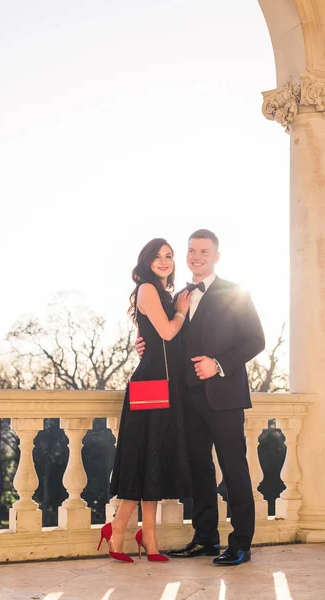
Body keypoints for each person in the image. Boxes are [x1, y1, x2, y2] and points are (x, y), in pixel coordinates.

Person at [136, 229, 265, 566]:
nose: (196, 257)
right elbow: (167, 333)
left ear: (216, 256)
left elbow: (256, 340)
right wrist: (143, 345)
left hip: (224, 396)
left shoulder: (235, 292)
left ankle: (241, 544)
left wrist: (218, 364)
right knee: (199, 469)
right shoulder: (177, 296)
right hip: (186, 398)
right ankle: (205, 539)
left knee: (233, 468)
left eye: (204, 252)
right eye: (191, 250)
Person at [97, 237, 191, 563]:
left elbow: (156, 338)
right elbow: (166, 332)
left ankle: (148, 537)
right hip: (151, 383)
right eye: (157, 257)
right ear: (147, 262)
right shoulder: (148, 289)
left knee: (153, 461)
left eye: (169, 256)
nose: (164, 261)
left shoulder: (163, 293)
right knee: (142, 458)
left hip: (165, 384)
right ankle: (119, 528)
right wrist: (180, 313)